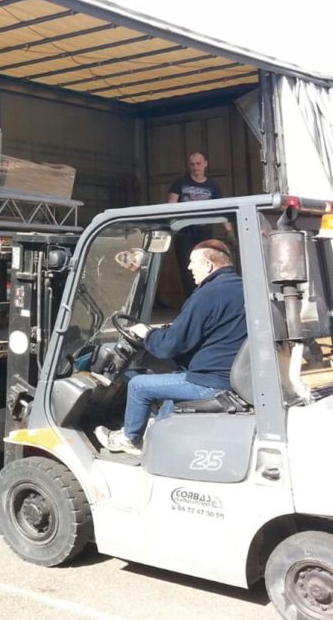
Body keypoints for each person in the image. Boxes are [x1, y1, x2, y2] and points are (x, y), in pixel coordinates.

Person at [94, 239, 246, 456]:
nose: (188, 268)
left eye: (193, 263)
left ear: (209, 265)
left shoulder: (207, 295)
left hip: (210, 381)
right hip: (230, 375)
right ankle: (157, 431)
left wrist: (148, 335)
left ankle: (129, 439)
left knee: (139, 385)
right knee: (169, 380)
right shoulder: (240, 288)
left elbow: (170, 346)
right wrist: (165, 331)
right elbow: (202, 330)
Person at [168, 152, 222, 296]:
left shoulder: (213, 186)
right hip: (184, 233)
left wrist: (230, 232)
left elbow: (222, 209)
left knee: (208, 267)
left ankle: (206, 299)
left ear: (205, 164)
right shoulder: (179, 183)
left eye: (198, 163)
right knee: (187, 270)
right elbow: (170, 208)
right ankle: (192, 300)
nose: (195, 167)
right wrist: (169, 229)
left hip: (204, 233)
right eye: (192, 164)